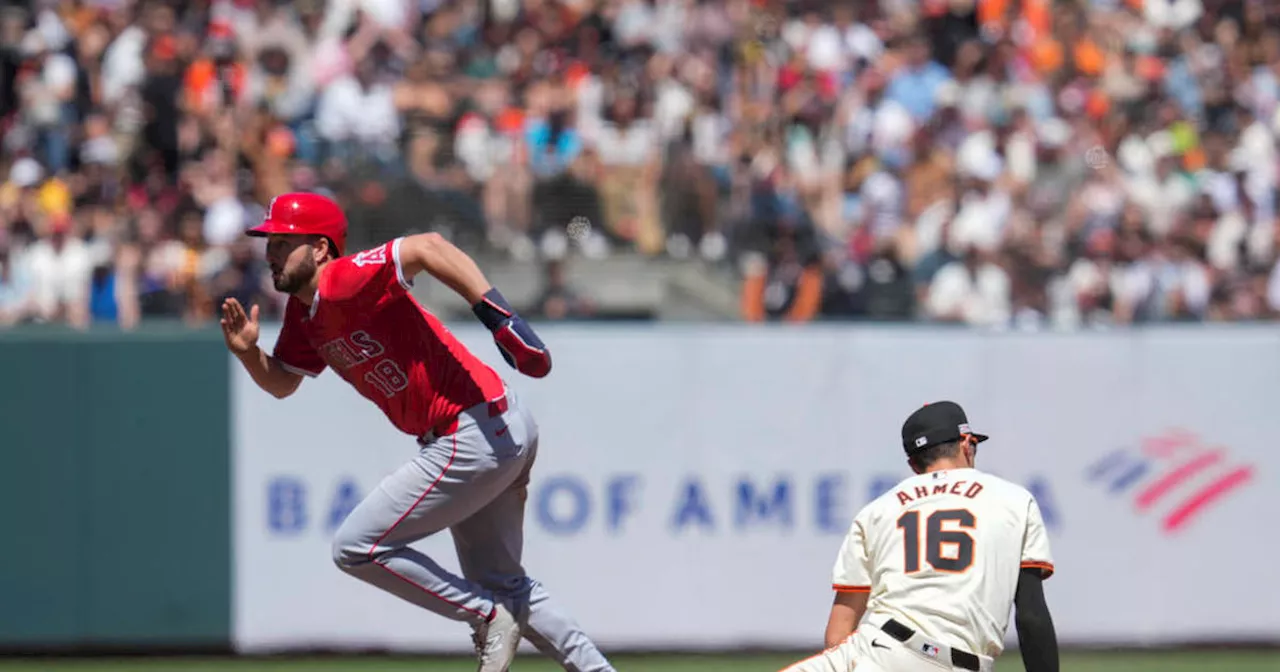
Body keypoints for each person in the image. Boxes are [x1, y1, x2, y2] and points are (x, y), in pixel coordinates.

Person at [219, 192, 615, 672]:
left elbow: (428, 247)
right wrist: (246, 352)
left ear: (321, 248)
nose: (272, 254)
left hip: (469, 429)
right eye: (270, 243)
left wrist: (497, 314)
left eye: (284, 242)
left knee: (356, 546)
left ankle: (485, 616)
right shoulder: (304, 316)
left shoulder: (344, 279)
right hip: (493, 426)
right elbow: (282, 382)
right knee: (507, 585)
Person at [781, 401, 1059, 672]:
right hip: (955, 662)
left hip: (876, 649)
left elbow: (839, 631)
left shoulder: (877, 510)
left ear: (914, 464)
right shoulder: (1014, 501)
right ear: (966, 444)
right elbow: (1031, 616)